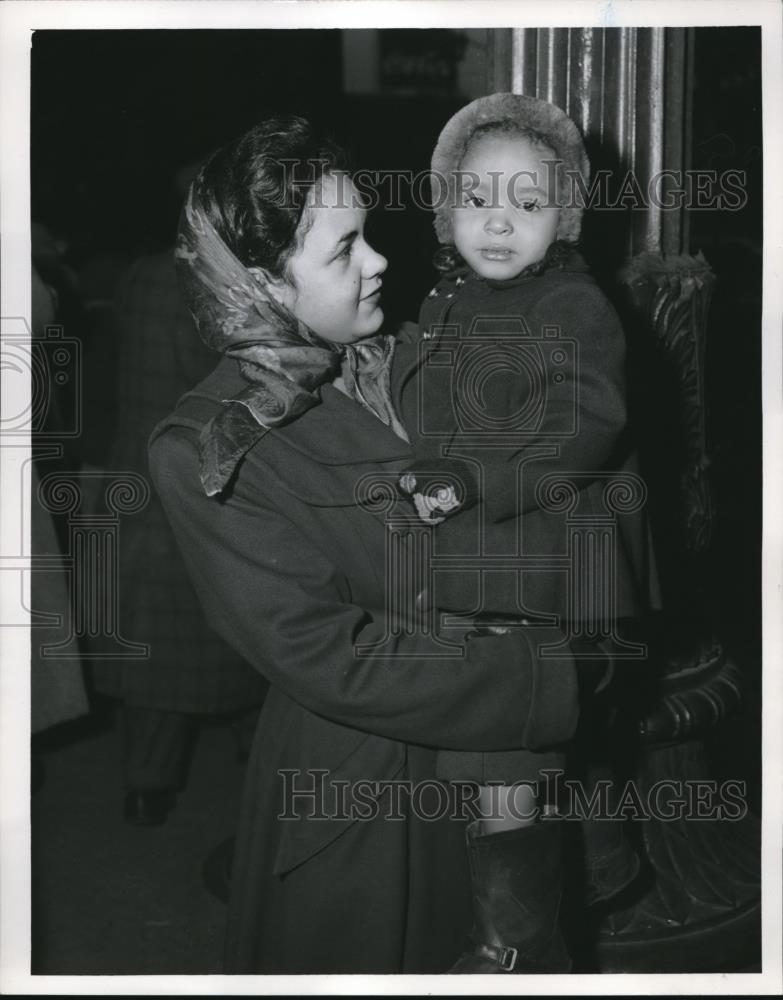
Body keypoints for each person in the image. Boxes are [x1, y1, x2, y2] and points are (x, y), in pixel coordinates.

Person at [148, 115, 586, 973]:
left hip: (494, 764)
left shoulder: (393, 360)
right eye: (343, 248)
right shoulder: (206, 448)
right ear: (264, 287)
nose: (377, 260)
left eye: (368, 235)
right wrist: (547, 682)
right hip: (364, 783)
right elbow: (330, 656)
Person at [393, 93, 657, 970]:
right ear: (446, 209)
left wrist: (474, 479)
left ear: (564, 215)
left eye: (527, 204)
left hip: (534, 581)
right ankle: (552, 888)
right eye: (476, 201)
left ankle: (515, 949)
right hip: (471, 575)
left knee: (505, 771)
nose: (498, 222)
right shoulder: (448, 298)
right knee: (489, 771)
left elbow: (585, 427)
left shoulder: (572, 306)